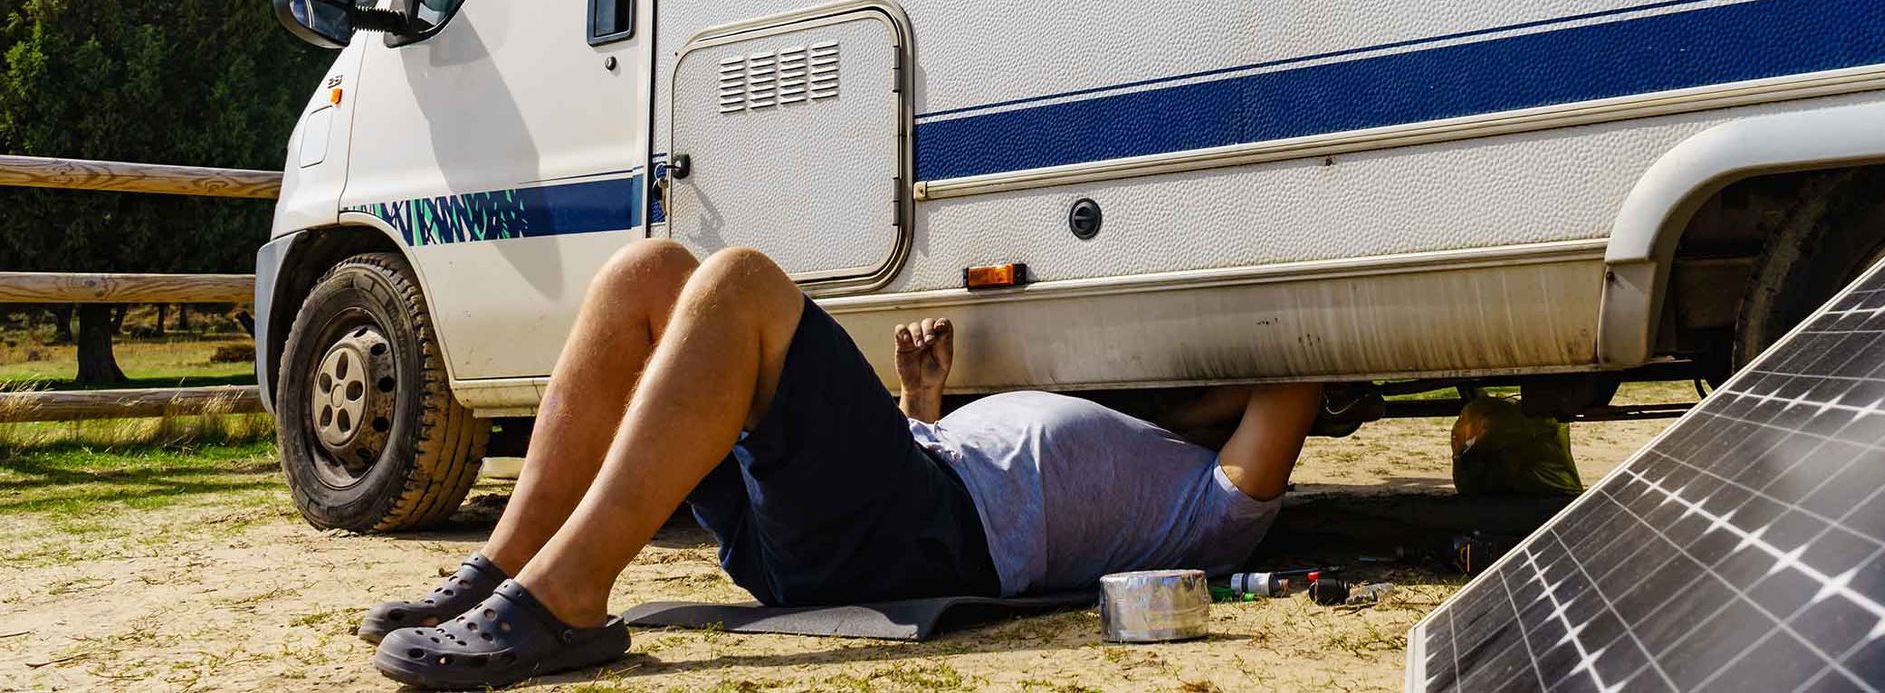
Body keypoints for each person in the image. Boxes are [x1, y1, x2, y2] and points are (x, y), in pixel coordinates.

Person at [363, 240, 1323, 689]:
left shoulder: (1213, 507)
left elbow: (1294, 376)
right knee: (648, 273)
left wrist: (1242, 394)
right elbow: (943, 471)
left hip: (920, 536)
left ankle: (566, 604)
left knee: (742, 284)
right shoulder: (1139, 442)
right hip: (876, 506)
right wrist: (923, 398)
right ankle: (503, 569)